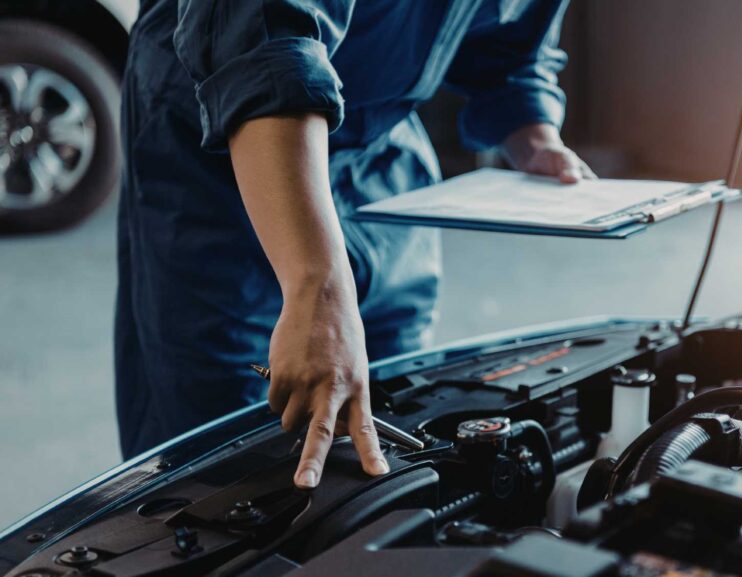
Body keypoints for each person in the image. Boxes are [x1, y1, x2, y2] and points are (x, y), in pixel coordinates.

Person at [116, 0, 594, 489]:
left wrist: (533, 133)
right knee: (226, 453)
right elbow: (261, 38)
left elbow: (510, 38)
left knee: (401, 410)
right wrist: (316, 286)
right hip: (230, 153)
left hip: (381, 151)